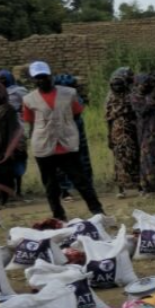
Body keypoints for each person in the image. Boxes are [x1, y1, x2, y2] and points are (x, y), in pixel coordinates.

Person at [18, 61, 104, 219]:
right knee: (51, 185)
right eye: (38, 78)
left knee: (81, 181)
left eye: (44, 76)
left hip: (67, 145)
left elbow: (76, 113)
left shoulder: (69, 93)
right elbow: (30, 121)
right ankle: (58, 215)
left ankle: (98, 211)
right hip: (44, 147)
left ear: (50, 76)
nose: (41, 80)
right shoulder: (28, 99)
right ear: (33, 80)